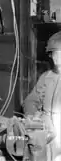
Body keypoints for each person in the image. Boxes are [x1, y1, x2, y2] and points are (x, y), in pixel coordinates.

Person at [23, 31, 61, 161]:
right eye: (54, 54)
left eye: (60, 53)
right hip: (45, 137)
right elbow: (30, 101)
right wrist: (34, 117)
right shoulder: (47, 77)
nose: (56, 59)